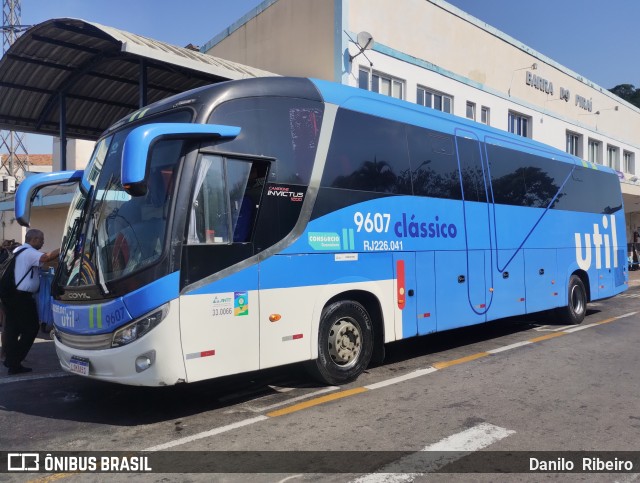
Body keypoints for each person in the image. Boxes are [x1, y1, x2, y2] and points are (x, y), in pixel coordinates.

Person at [2, 229, 59, 375]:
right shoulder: (28, 252)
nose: (43, 242)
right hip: (21, 298)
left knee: (13, 329)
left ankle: (12, 363)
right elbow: (47, 257)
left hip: (12, 296)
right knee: (32, 328)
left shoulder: (19, 250)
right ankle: (14, 361)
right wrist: (65, 246)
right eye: (41, 239)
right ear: (33, 240)